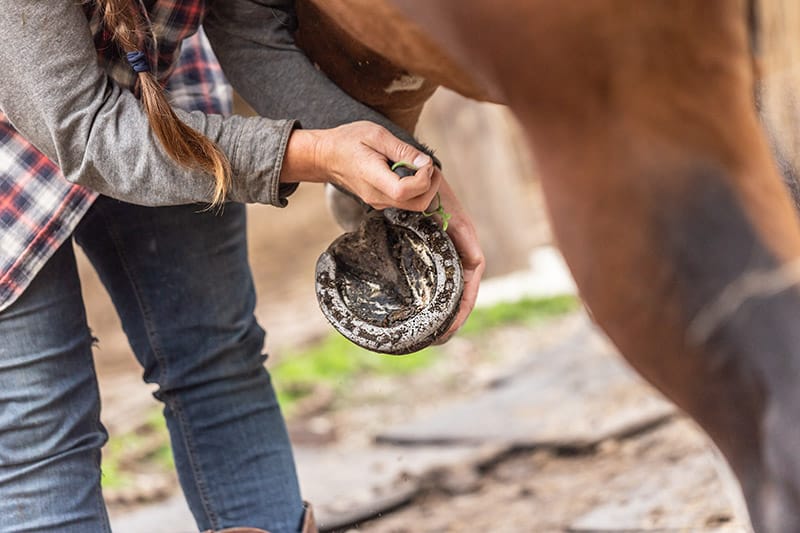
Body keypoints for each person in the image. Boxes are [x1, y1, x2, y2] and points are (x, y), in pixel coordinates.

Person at [0, 0, 485, 532]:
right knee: (40, 435)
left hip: (154, 80)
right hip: (36, 125)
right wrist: (315, 154)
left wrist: (407, 168)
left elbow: (251, 30)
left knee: (217, 363)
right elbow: (91, 133)